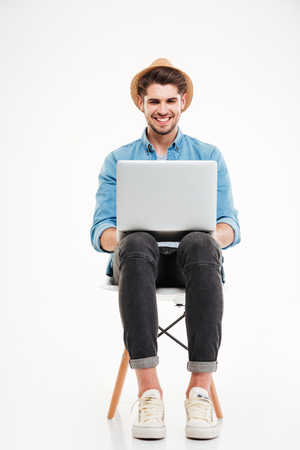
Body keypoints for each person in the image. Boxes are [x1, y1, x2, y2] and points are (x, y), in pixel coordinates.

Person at [91, 58, 240, 440]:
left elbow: (230, 225)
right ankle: (150, 393)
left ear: (183, 102)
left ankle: (199, 392)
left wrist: (210, 235)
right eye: (154, 101)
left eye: (170, 101)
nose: (162, 110)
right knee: (138, 241)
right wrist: (123, 236)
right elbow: (101, 231)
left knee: (199, 241)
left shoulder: (209, 156)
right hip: (139, 263)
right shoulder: (118, 160)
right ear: (141, 103)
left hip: (194, 261)